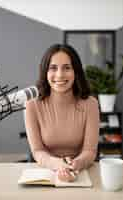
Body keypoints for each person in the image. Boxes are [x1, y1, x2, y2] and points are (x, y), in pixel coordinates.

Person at [25, 44, 99, 182]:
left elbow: (90, 151)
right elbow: (37, 151)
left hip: (81, 171)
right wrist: (59, 165)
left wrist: (74, 165)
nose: (59, 75)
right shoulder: (32, 104)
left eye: (67, 68)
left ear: (75, 71)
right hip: (47, 173)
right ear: (45, 72)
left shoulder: (91, 104)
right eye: (53, 68)